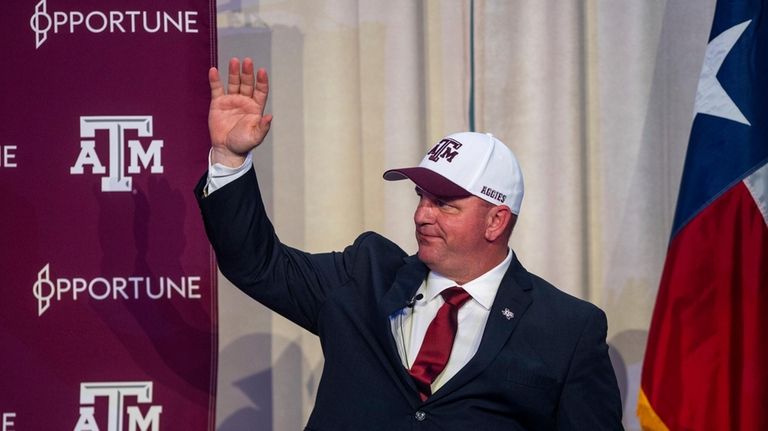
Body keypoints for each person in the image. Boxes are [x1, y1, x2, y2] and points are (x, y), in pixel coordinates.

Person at [195, 57, 623, 430]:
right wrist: (230, 159)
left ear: (496, 220)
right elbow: (258, 265)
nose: (422, 214)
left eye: (445, 204)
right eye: (421, 197)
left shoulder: (567, 329)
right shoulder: (364, 276)